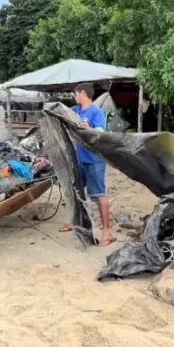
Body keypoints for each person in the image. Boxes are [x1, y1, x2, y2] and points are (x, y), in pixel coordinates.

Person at [59, 83, 112, 247]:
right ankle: (77, 222)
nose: (75, 96)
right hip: (80, 158)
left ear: (82, 93)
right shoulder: (75, 110)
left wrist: (89, 128)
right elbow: (62, 117)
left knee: (99, 195)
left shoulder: (96, 111)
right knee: (78, 191)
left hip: (94, 159)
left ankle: (107, 232)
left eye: (76, 93)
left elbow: (101, 132)